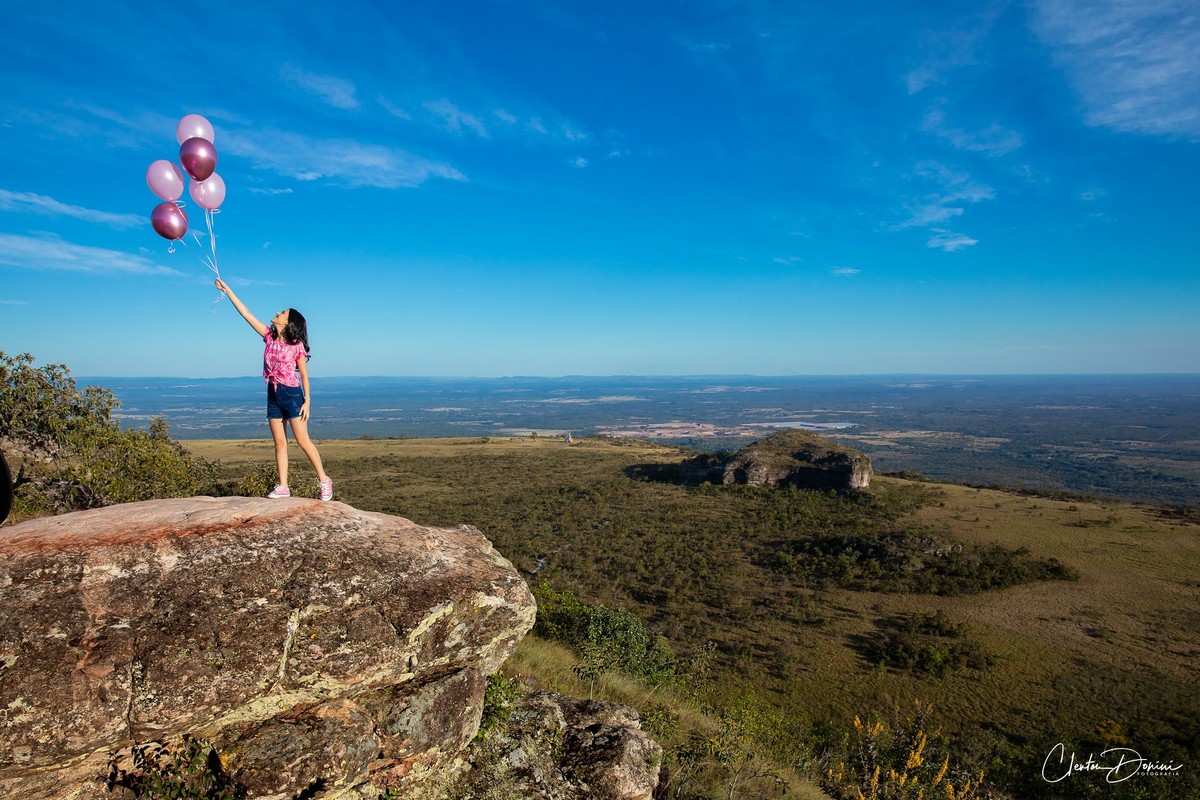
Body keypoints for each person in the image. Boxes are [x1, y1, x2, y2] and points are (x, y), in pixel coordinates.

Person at [214, 277, 332, 501]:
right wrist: (227, 289)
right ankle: (283, 486)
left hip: (292, 394)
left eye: (282, 313)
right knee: (279, 443)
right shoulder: (268, 336)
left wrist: (307, 400)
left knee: (303, 441)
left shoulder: (296, 346)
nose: (277, 312)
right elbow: (246, 313)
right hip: (273, 393)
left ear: (288, 323)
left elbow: (303, 374)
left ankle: (324, 480)